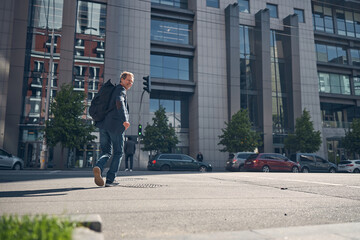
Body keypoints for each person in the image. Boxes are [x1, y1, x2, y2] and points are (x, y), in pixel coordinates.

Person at [92, 71, 134, 187]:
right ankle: (110, 179)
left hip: (103, 125)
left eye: (132, 81)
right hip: (115, 126)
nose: (130, 83)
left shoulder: (112, 90)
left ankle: (98, 167)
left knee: (106, 152)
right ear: (122, 79)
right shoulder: (120, 90)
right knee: (118, 152)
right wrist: (125, 119)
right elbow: (119, 102)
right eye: (128, 80)